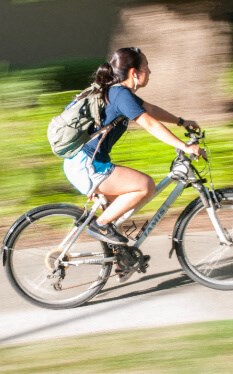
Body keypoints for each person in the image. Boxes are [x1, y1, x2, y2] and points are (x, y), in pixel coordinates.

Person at [63, 47, 205, 245]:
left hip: (84, 162)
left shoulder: (118, 93)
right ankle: (100, 226)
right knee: (145, 185)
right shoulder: (120, 95)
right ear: (134, 73)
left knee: (120, 213)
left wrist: (181, 121)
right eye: (146, 66)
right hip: (87, 165)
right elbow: (148, 123)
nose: (150, 71)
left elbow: (151, 109)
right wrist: (185, 146)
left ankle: (120, 260)